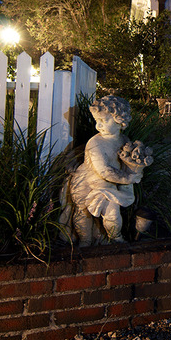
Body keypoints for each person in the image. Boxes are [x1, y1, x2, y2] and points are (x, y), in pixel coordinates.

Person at [60, 96, 153, 245]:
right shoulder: (95, 143)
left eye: (104, 121)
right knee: (83, 213)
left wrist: (135, 171)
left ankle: (115, 238)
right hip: (86, 183)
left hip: (108, 185)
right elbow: (104, 171)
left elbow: (126, 163)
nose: (99, 126)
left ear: (120, 121)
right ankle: (85, 240)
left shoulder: (125, 141)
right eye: (97, 121)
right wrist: (128, 179)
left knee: (112, 212)